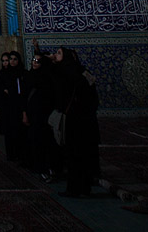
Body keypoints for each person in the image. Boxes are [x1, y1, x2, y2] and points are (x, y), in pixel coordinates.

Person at [51, 45, 99, 197]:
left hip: (79, 121)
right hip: (80, 119)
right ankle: (78, 188)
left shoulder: (71, 72)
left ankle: (80, 188)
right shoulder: (78, 72)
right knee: (75, 154)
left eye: (58, 53)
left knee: (78, 154)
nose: (55, 55)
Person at [23, 51, 57, 178]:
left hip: (43, 114)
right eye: (33, 60)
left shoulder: (47, 78)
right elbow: (25, 96)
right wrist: (25, 112)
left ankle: (46, 167)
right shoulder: (29, 76)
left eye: (38, 61)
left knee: (44, 140)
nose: (34, 63)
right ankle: (38, 166)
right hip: (33, 113)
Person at [0, 50, 27, 163]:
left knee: (19, 133)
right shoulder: (4, 74)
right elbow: (0, 90)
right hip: (8, 108)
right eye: (10, 59)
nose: (12, 62)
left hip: (18, 107)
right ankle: (11, 155)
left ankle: (20, 155)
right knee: (9, 133)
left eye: (15, 59)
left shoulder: (23, 74)